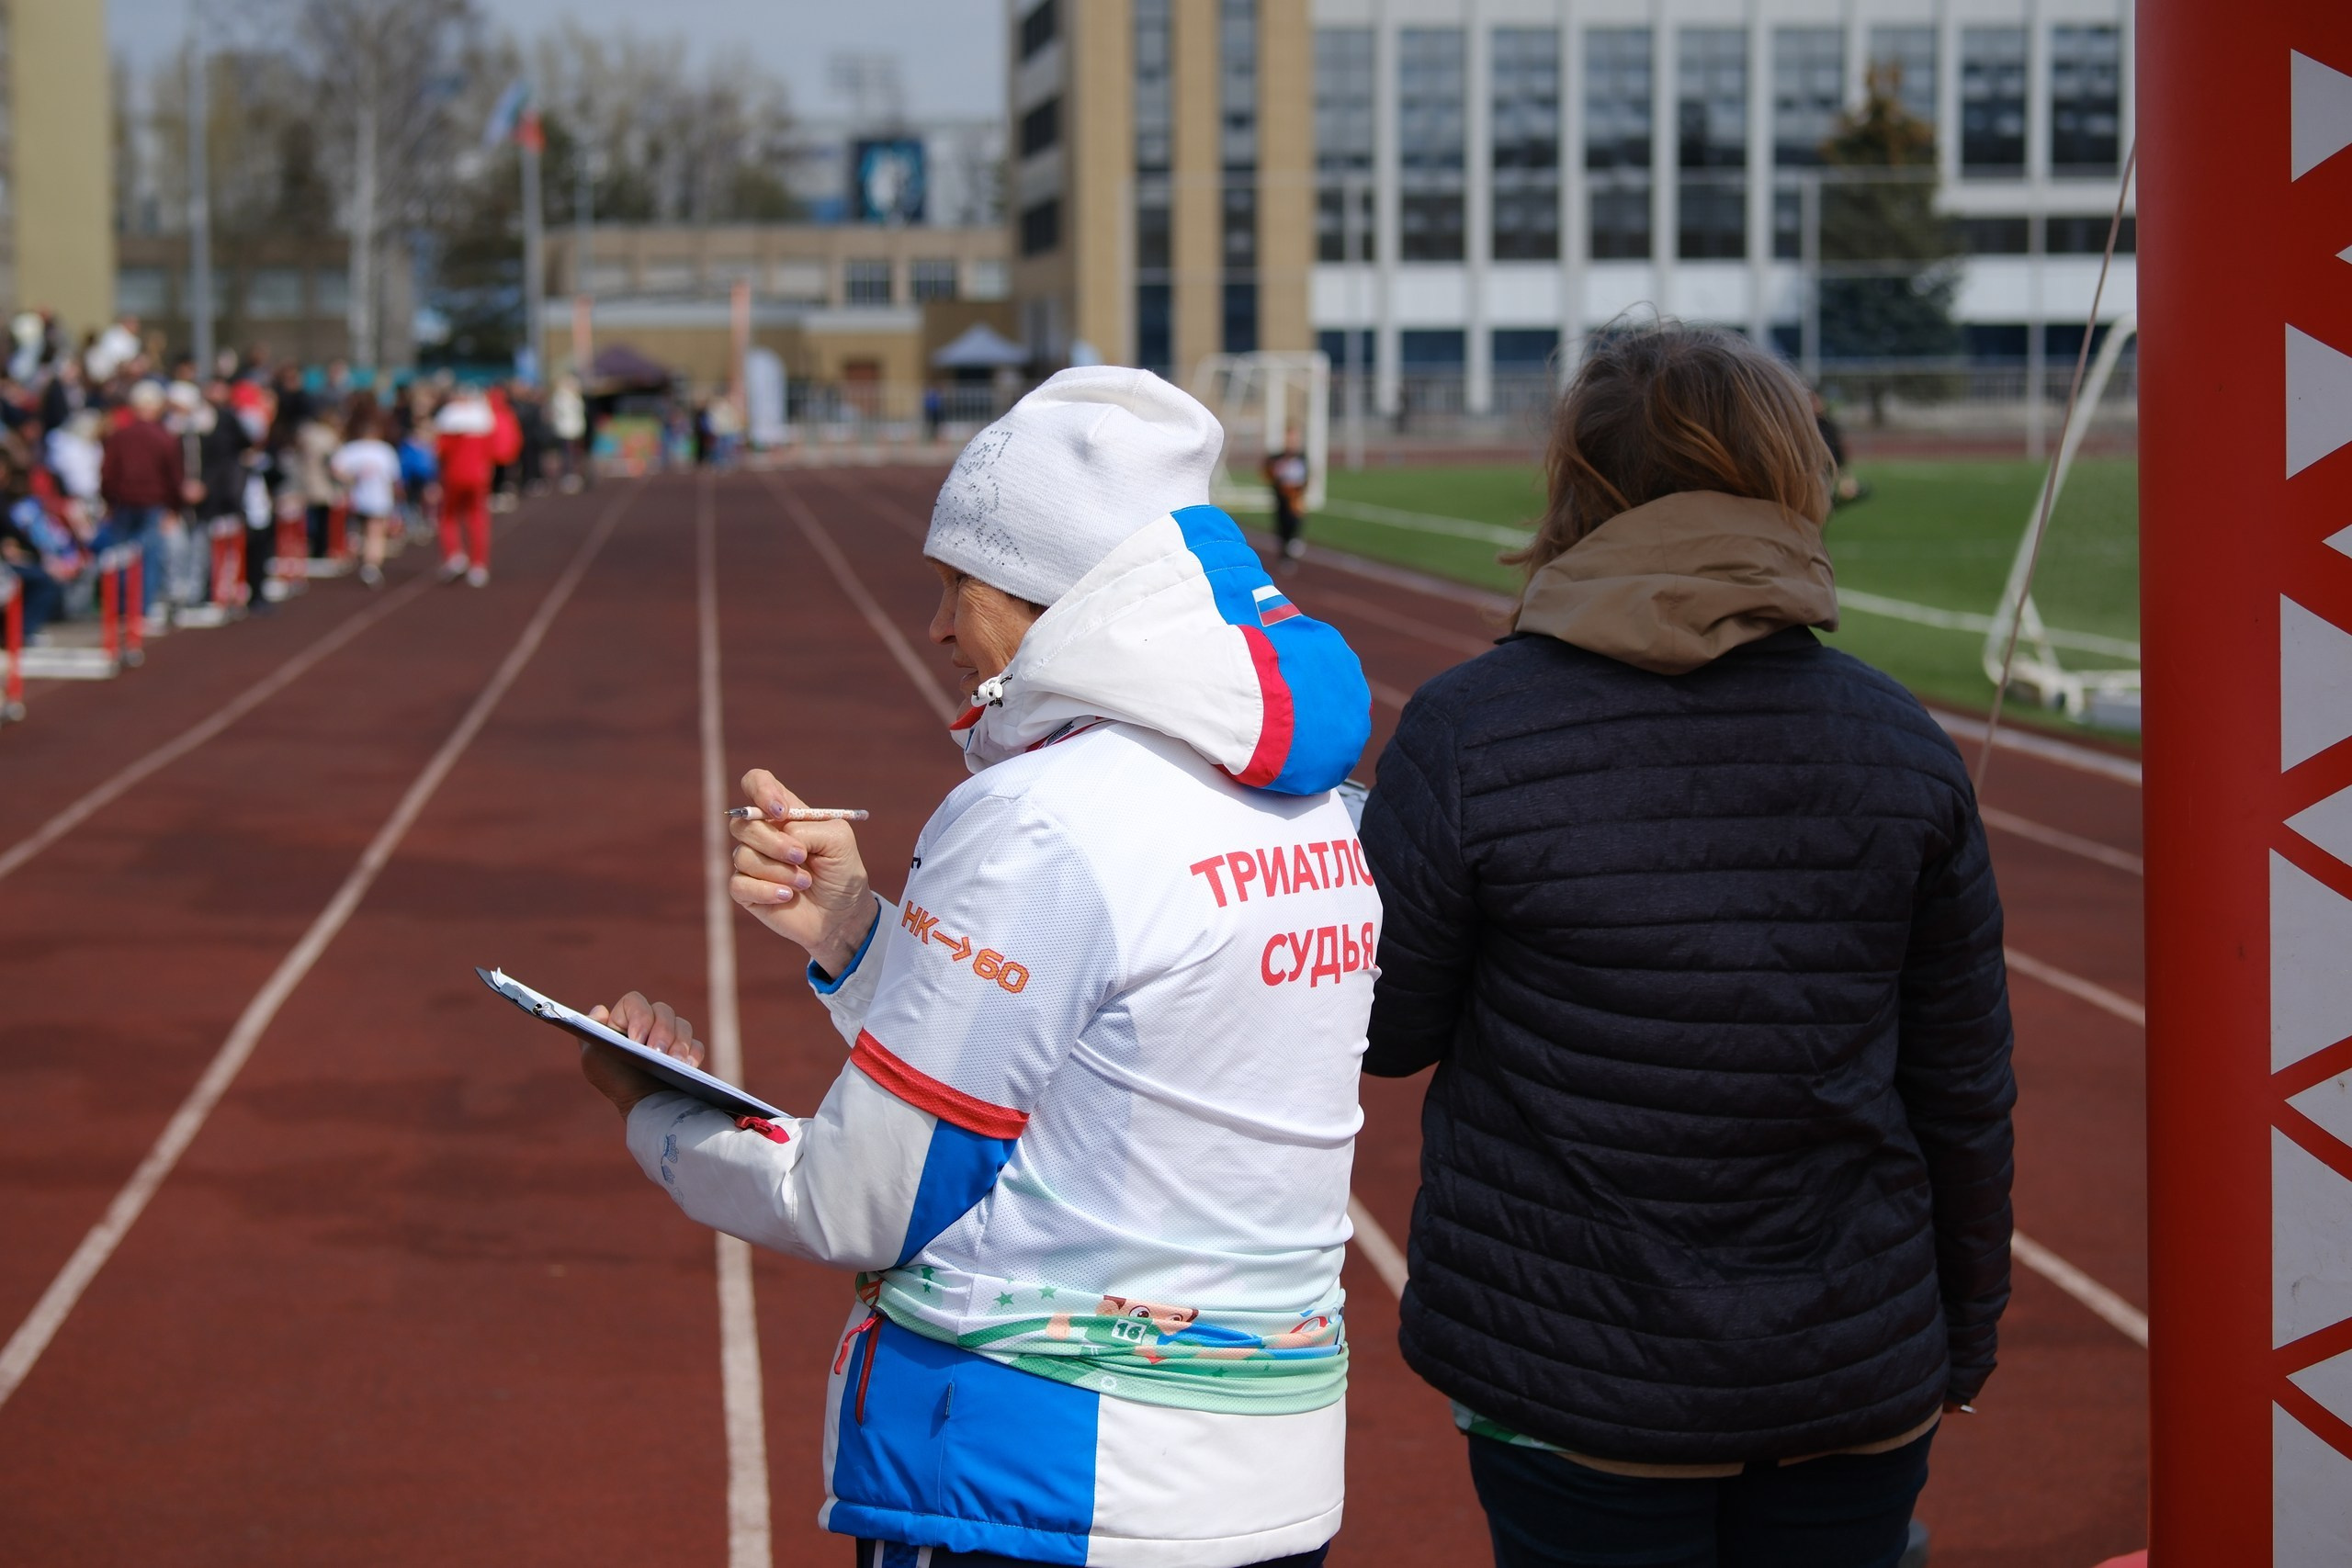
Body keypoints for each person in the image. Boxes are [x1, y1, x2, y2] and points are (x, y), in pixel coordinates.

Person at [572, 367, 1377, 1567]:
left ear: (1066, 602)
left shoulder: (1040, 818)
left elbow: (858, 1197)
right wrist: (852, 928)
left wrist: (651, 1109)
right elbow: (1106, 1070)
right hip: (1267, 1482)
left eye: (961, 587)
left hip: (1037, 1486)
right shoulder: (1317, 808)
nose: (940, 628)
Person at [1356, 321, 2013, 1568]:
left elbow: (1385, 1031)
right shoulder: (1902, 738)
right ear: (1792, 479)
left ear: (1582, 486)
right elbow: (1962, 1086)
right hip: (1851, 1365)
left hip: (1572, 1369)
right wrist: (1963, 1329)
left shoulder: (1467, 729)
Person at [97, 379, 183, 623]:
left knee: (121, 555)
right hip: (151, 504)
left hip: (124, 502)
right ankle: (141, 607)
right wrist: (174, 507)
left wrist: (109, 501)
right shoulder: (164, 437)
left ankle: (123, 606)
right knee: (149, 556)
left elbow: (107, 473)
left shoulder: (120, 436)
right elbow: (174, 476)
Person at [331, 400, 402, 588]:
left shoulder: (351, 449)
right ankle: (370, 566)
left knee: (357, 530)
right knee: (375, 533)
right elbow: (394, 478)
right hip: (378, 499)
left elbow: (336, 469)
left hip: (356, 498)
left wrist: (351, 480)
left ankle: (356, 554)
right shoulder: (384, 451)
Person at [434, 388, 496, 586]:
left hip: (454, 475)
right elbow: (494, 451)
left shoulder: (449, 421)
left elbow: (440, 451)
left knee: (448, 516)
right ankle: (478, 565)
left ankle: (454, 556)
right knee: (477, 517)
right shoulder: (483, 420)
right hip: (479, 476)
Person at [1261, 446, 1309, 567]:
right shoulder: (1277, 458)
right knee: (1282, 525)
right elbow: (1269, 473)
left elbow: (1306, 476)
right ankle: (1284, 555)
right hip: (1281, 497)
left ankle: (1294, 540)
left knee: (1295, 520)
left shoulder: (1301, 458)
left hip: (1295, 497)